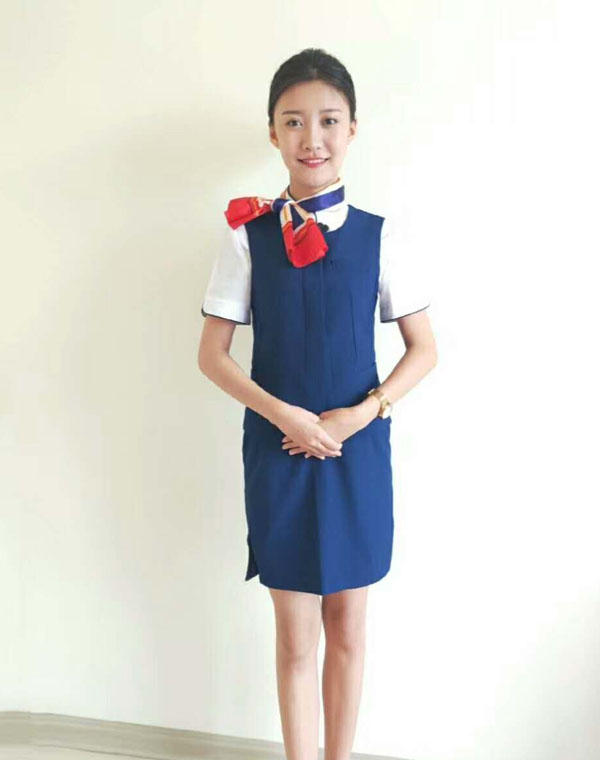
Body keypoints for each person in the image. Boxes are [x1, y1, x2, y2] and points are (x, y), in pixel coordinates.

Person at [198, 47, 437, 760]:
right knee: (296, 638)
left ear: (352, 129)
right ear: (273, 131)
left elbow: (423, 349)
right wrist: (286, 416)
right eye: (294, 121)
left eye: (329, 120)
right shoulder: (246, 237)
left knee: (350, 630)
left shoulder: (381, 235)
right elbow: (212, 356)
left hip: (356, 451)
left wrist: (361, 413)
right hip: (279, 452)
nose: (313, 138)